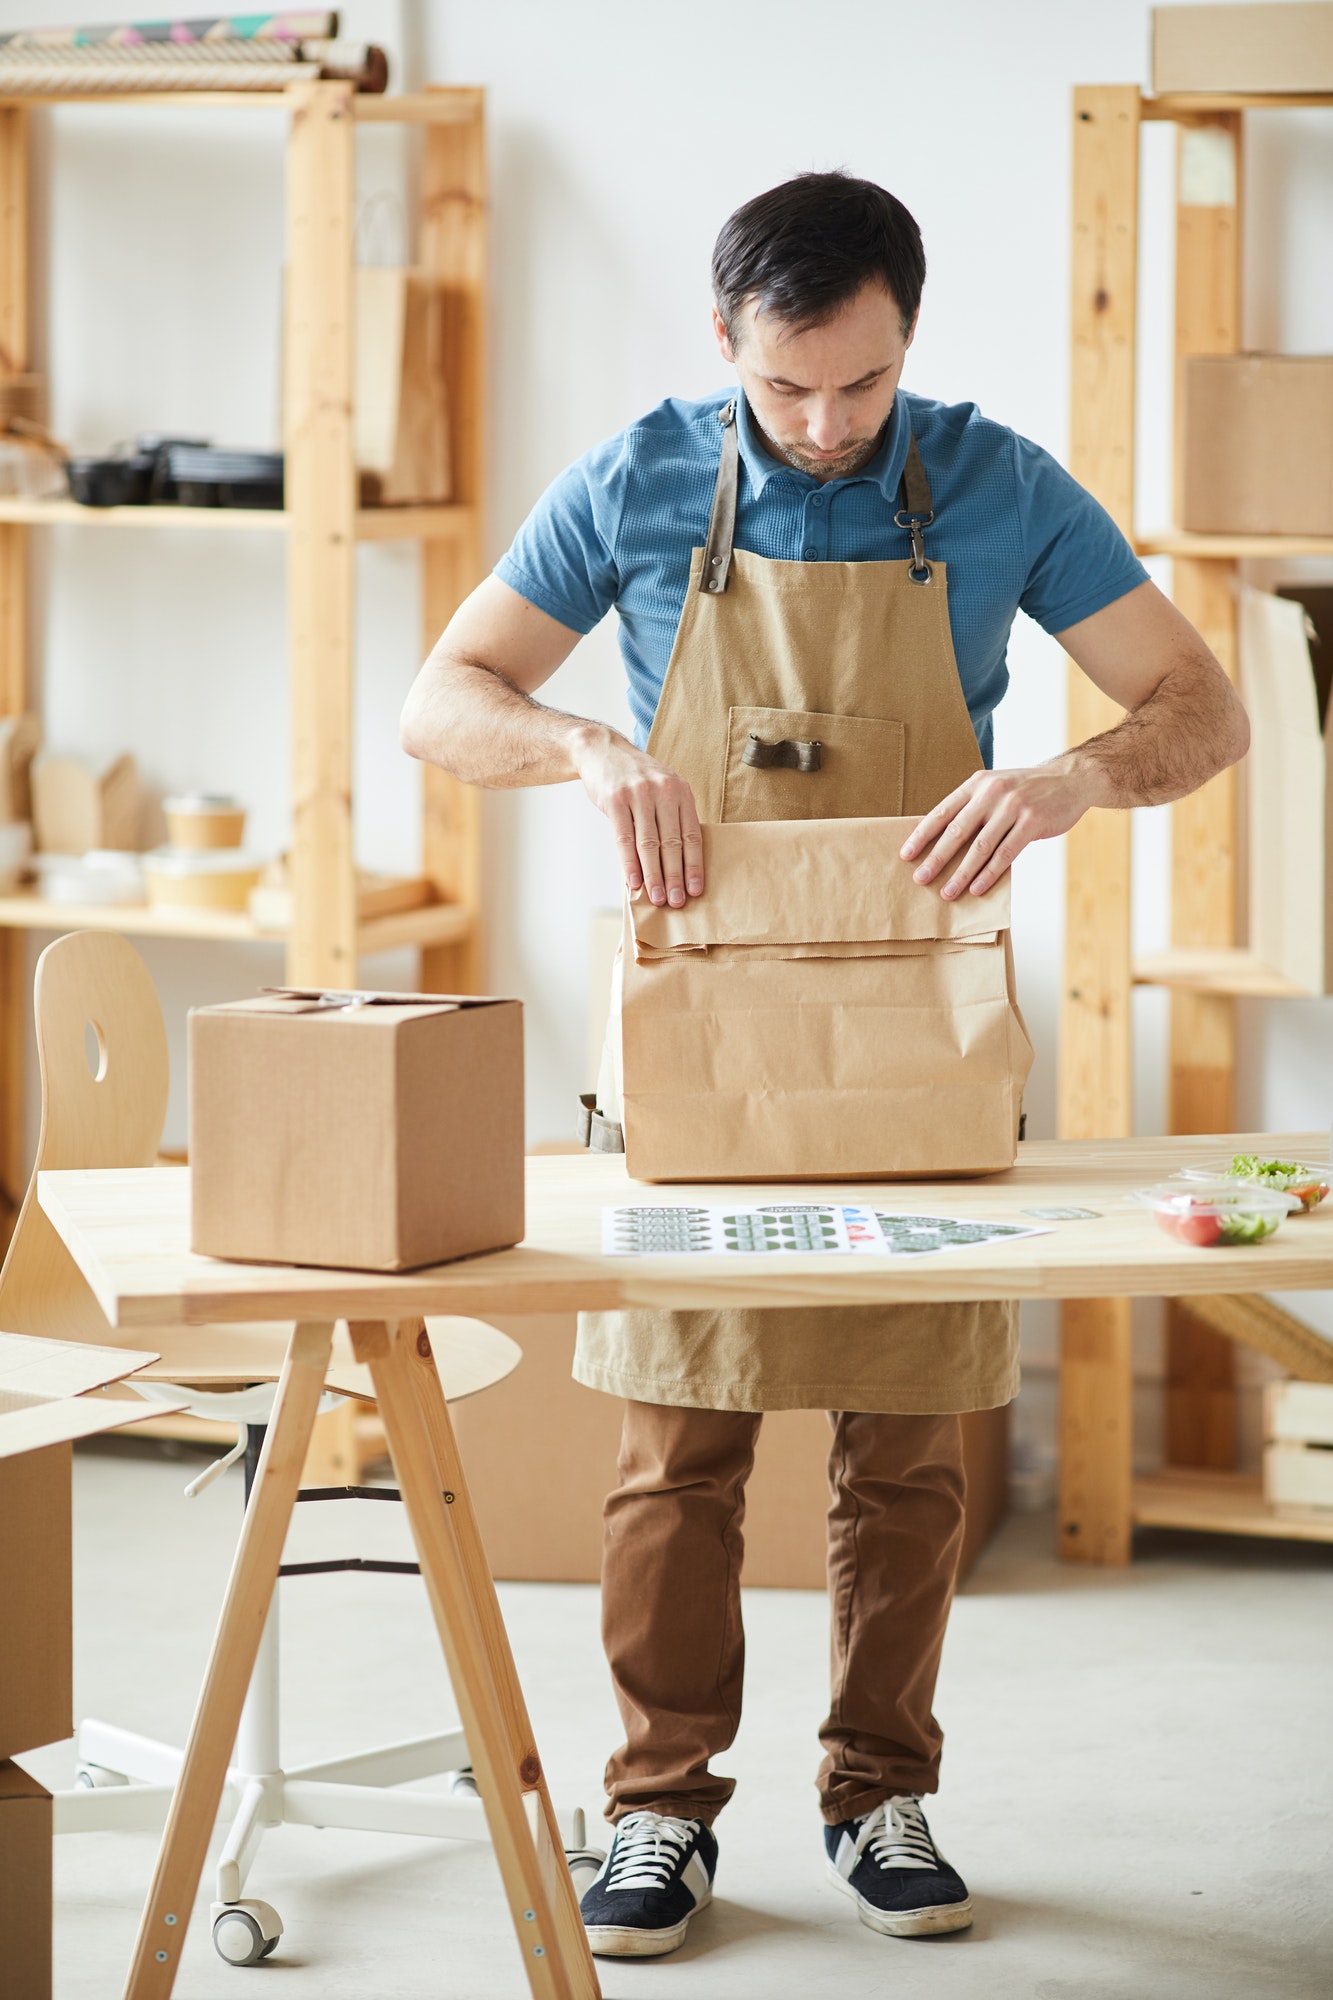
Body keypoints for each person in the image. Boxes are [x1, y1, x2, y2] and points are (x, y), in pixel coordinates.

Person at [400, 172, 1248, 1961]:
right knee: (675, 1447)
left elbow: (1200, 705)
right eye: (786, 388)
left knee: (910, 1453)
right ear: (725, 343)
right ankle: (653, 1816)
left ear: (905, 342)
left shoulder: (999, 481)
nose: (822, 425)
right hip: (702, 1033)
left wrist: (1071, 780)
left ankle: (881, 1794)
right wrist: (577, 749)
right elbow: (442, 695)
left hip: (920, 1039)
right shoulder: (634, 476)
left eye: (857, 388)